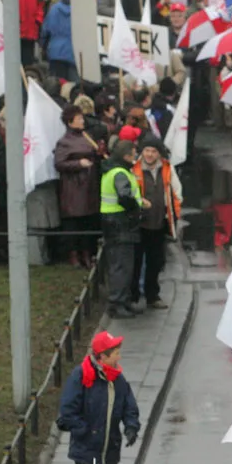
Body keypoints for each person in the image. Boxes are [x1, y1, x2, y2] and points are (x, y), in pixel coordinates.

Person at [56, 331, 140, 464]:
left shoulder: (118, 379)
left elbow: (129, 406)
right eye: (116, 353)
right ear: (103, 356)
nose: (119, 357)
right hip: (86, 454)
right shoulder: (81, 376)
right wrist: (84, 431)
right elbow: (67, 410)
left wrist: (131, 427)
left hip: (110, 453)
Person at [131, 135, 182, 310]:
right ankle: (133, 297)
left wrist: (174, 216)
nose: (150, 154)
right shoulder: (134, 169)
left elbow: (176, 192)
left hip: (159, 223)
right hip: (139, 224)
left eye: (153, 151)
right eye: (147, 150)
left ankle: (152, 296)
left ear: (159, 153)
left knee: (155, 262)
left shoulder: (167, 169)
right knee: (136, 262)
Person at [99, 136, 148, 318]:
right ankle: (117, 303)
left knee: (124, 264)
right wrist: (136, 209)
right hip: (120, 223)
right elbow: (125, 196)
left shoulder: (113, 170)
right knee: (121, 265)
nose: (135, 158)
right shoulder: (120, 173)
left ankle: (123, 300)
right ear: (126, 156)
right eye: (133, 154)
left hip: (114, 222)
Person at [53, 105, 102, 269]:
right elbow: (59, 163)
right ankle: (73, 254)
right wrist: (78, 164)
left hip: (89, 186)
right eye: (79, 118)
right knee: (73, 223)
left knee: (88, 222)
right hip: (73, 188)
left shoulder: (87, 137)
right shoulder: (64, 142)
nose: (82, 121)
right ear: (70, 122)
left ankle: (86, 253)